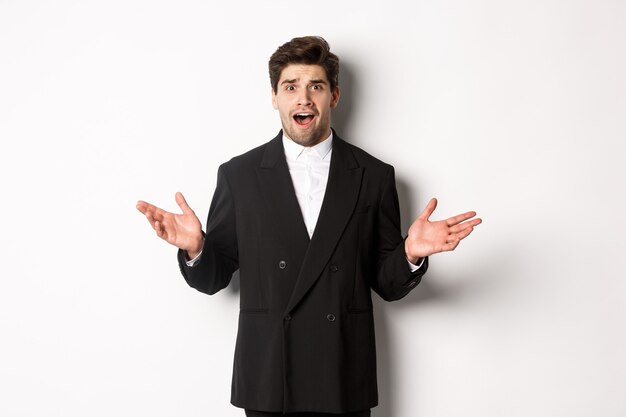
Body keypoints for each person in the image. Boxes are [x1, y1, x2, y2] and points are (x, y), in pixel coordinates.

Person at [137, 36, 481, 417]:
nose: (303, 98)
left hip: (342, 374)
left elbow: (386, 282)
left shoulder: (373, 175)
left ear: (333, 96)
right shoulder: (239, 175)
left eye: (315, 86)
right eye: (290, 87)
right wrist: (196, 248)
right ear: (274, 97)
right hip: (269, 379)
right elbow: (214, 278)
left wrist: (410, 253)